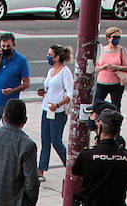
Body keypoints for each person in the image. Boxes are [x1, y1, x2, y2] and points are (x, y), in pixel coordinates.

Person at [37, 45, 75, 179]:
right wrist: (43, 92)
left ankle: (70, 166)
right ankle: (41, 169)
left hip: (57, 111)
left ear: (57, 57)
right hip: (46, 108)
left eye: (50, 55)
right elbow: (50, 88)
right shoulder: (51, 71)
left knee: (56, 140)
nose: (48, 57)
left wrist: (58, 104)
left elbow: (70, 94)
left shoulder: (65, 72)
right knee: (45, 140)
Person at [0, 33, 31, 134]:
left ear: (13, 45)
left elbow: (26, 83)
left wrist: (13, 90)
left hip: (9, 106)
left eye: (8, 46)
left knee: (9, 134)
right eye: (3, 46)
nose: (5, 48)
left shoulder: (21, 61)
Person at [95, 28, 127, 108]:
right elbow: (95, 68)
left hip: (116, 84)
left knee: (116, 106)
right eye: (114, 37)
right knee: (97, 105)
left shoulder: (122, 50)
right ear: (108, 38)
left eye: (118, 37)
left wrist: (117, 68)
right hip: (102, 83)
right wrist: (103, 67)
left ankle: (115, 120)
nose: (116, 39)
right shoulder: (102, 50)